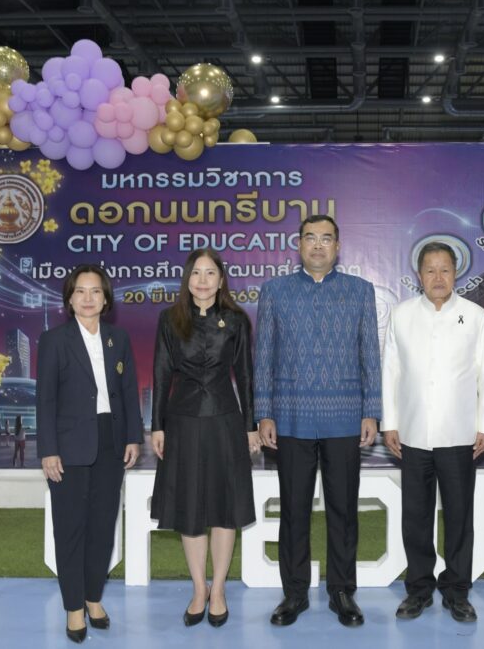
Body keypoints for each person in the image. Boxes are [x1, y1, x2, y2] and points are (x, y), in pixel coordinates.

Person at [254, 214, 381, 628]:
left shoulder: (360, 291)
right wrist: (263, 412)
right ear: (299, 245)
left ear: (338, 247)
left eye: (327, 239)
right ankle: (294, 593)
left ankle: (342, 591)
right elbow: (263, 356)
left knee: (343, 510)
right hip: (291, 417)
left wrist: (371, 410)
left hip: (345, 417)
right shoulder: (275, 292)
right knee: (293, 510)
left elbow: (369, 354)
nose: (318, 245)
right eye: (310, 238)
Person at [381, 242, 484, 623]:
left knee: (459, 516)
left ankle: (457, 591)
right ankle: (418, 589)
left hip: (460, 434)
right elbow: (391, 372)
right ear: (419, 275)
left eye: (445, 269)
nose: (438, 277)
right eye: (430, 270)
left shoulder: (475, 315)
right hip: (412, 433)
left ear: (456, 273)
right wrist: (390, 422)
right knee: (415, 516)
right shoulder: (401, 315)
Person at [150, 248, 260, 628]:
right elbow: (161, 373)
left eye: (210, 273)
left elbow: (245, 375)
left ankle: (219, 590)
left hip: (225, 421)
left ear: (221, 279)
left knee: (224, 508)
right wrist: (157, 425)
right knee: (190, 508)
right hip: (181, 422)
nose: (202, 280)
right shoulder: (170, 319)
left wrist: (250, 426)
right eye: (196, 272)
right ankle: (199, 589)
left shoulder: (236, 320)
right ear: (187, 279)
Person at [36, 264, 142, 643]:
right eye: (80, 291)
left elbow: (128, 391)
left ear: (106, 298)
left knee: (102, 527)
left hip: (112, 443)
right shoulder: (54, 340)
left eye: (95, 291)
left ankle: (94, 598)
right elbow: (46, 400)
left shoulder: (118, 338)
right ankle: (74, 608)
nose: (88, 298)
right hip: (69, 446)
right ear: (69, 299)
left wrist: (133, 437)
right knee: (71, 530)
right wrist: (49, 450)